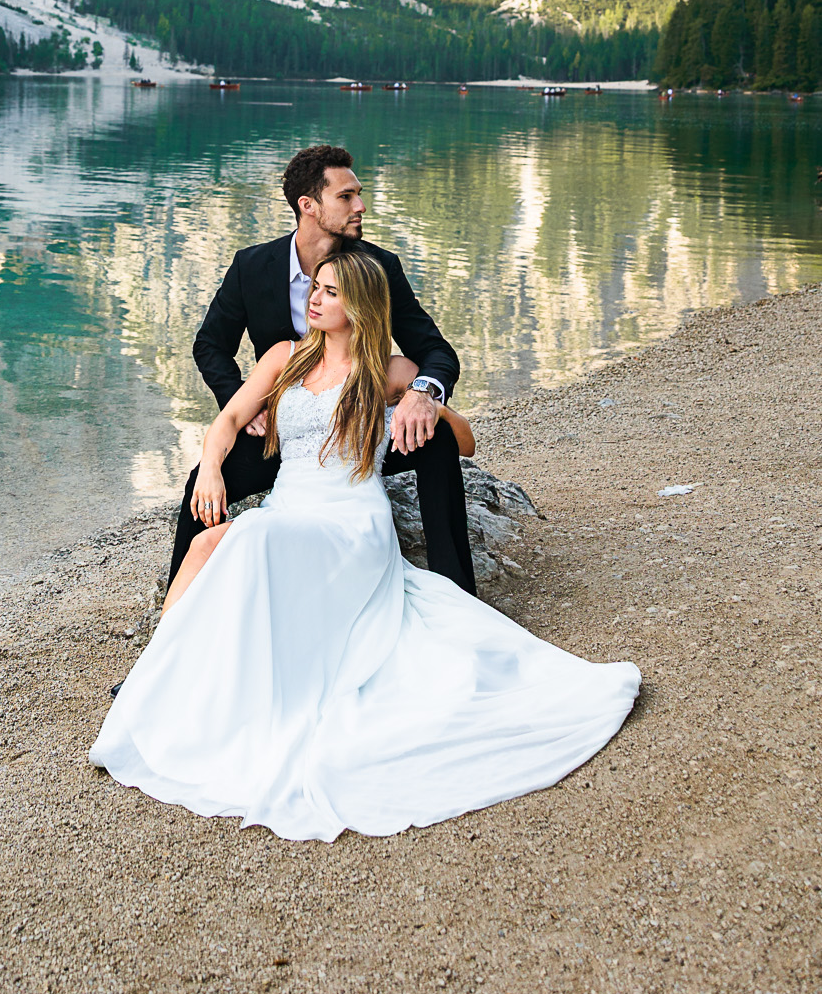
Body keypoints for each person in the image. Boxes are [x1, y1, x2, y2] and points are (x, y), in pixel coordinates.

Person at [91, 250, 639, 839]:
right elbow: (226, 423)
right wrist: (210, 470)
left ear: (359, 306)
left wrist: (422, 401)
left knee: (248, 536)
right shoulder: (283, 357)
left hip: (350, 519)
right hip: (291, 506)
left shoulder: (386, 370)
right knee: (207, 546)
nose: (315, 299)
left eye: (330, 292)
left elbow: (466, 441)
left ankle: (192, 686)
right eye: (316, 288)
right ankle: (157, 678)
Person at [171, 144, 475, 593]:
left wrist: (423, 393)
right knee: (203, 479)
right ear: (308, 206)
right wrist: (244, 405)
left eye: (358, 194)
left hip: (357, 436)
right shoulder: (252, 267)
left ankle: (458, 587)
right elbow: (210, 346)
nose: (360, 205)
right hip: (282, 431)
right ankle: (187, 596)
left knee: (439, 438)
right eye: (346, 196)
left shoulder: (379, 268)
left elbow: (435, 350)